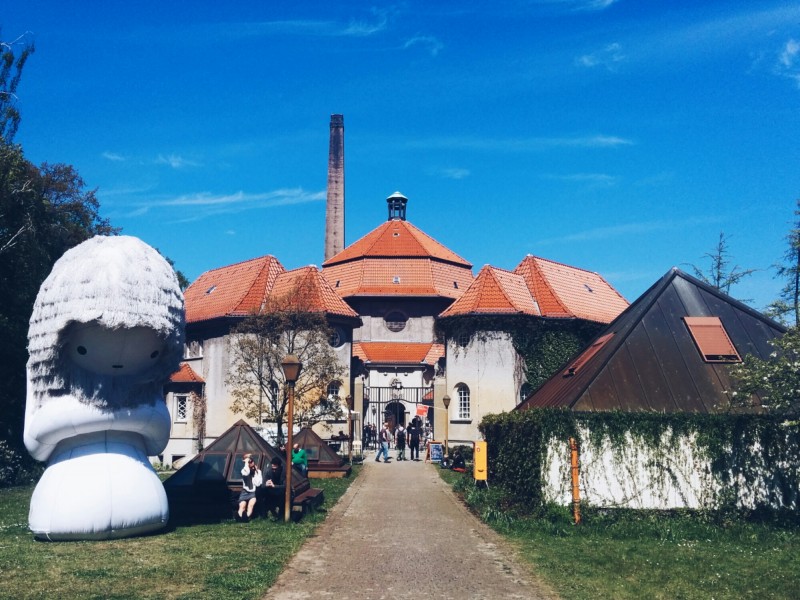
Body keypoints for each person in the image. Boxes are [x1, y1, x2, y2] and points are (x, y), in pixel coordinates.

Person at [237, 453, 262, 522]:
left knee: (250, 505)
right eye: (249, 462)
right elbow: (246, 473)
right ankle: (240, 517)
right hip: (245, 492)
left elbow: (258, 484)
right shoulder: (244, 470)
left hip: (253, 492)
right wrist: (246, 464)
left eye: (251, 461)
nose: (251, 463)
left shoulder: (258, 471)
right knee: (242, 506)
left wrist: (256, 473)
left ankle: (246, 518)